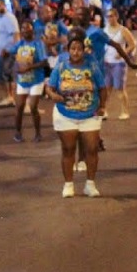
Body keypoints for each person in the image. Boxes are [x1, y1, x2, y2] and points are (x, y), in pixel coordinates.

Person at [47, 34, 107, 198]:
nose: (76, 52)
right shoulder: (61, 66)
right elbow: (50, 87)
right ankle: (68, 185)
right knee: (68, 149)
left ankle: (90, 184)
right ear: (68, 50)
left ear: (83, 50)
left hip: (90, 114)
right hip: (65, 114)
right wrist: (53, 96)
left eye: (79, 49)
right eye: (73, 49)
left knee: (92, 149)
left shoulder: (92, 66)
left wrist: (102, 106)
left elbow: (102, 87)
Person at [9, 20, 47, 143]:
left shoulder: (38, 44)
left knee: (33, 107)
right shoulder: (20, 44)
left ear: (32, 30)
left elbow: (44, 62)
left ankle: (38, 133)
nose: (25, 31)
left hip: (36, 80)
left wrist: (29, 67)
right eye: (23, 29)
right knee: (19, 107)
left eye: (28, 28)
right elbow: (10, 53)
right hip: (22, 80)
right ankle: (18, 133)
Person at [102, 8, 135, 120]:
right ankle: (104, 111)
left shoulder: (123, 30)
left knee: (120, 89)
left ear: (116, 17)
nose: (110, 18)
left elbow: (132, 44)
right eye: (108, 16)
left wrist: (122, 53)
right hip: (106, 63)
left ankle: (125, 111)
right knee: (106, 89)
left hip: (118, 64)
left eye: (112, 16)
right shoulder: (104, 30)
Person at [0, 0, 20, 108]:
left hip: (6, 52)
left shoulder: (10, 18)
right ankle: (9, 97)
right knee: (6, 75)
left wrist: (11, 50)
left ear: (4, 5)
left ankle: (9, 96)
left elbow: (16, 35)